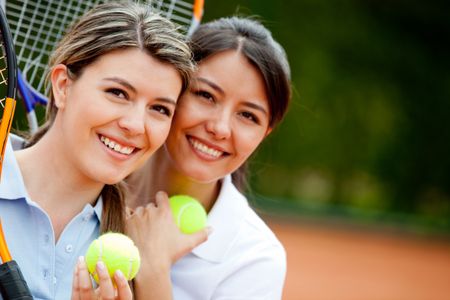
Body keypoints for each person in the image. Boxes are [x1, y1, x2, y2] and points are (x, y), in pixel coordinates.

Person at [0, 2, 202, 299]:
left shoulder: (140, 246)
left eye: (159, 108)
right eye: (118, 93)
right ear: (63, 86)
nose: (135, 125)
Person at [126, 16, 291, 300]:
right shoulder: (93, 181)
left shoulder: (256, 258)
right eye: (206, 95)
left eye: (248, 116)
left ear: (265, 133)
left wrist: (153, 271)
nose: (219, 127)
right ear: (172, 91)